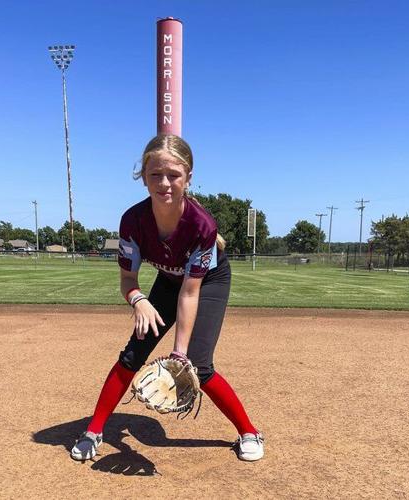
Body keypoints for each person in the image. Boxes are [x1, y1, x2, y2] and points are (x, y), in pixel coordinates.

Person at [71, 134, 264, 462]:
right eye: (155, 174)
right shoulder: (132, 221)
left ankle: (249, 432)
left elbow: (190, 292)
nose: (164, 183)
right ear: (143, 177)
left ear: (188, 178)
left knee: (199, 366)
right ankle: (94, 430)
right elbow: (128, 280)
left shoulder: (201, 225)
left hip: (208, 282)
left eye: (174, 175)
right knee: (133, 353)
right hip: (168, 282)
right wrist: (138, 300)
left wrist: (179, 353)